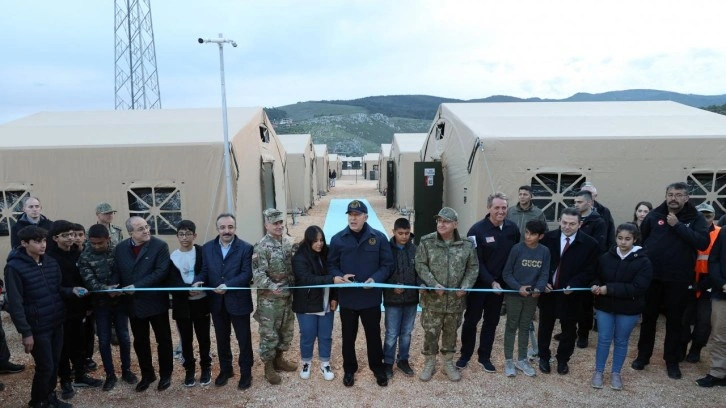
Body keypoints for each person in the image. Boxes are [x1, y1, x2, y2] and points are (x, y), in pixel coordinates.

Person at [633, 182, 709, 380]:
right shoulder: (655, 215)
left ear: (686, 198)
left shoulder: (696, 218)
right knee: (648, 319)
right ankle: (643, 356)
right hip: (654, 278)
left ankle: (672, 361)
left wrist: (678, 226)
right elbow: (643, 241)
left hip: (679, 279)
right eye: (670, 194)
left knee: (676, 322)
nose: (673, 198)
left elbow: (702, 242)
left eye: (678, 195)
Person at [4, 226, 85, 408]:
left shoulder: (50, 262)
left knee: (54, 364)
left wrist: (71, 290)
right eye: (37, 241)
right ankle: (37, 401)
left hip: (56, 322)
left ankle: (50, 398)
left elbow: (56, 289)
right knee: (45, 366)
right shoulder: (14, 268)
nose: (43, 245)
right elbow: (15, 304)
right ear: (24, 243)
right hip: (37, 327)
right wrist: (26, 332)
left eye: (44, 241)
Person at [328, 199, 393, 387]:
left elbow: (387, 265)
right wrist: (339, 276)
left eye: (357, 215)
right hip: (348, 299)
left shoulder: (379, 238)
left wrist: (375, 278)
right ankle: (349, 369)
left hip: (370, 298)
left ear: (366, 216)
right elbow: (331, 264)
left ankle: (377, 367)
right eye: (350, 215)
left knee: (373, 335)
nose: (353, 218)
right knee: (348, 337)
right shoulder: (338, 239)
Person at [458, 192, 520, 372]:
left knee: (491, 322)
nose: (501, 211)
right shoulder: (476, 230)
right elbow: (475, 261)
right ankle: (465, 355)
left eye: (504, 207)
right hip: (480, 285)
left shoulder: (512, 229)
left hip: (500, 288)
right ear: (489, 208)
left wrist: (504, 282)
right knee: (471, 321)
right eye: (497, 207)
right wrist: (491, 281)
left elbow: (513, 257)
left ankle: (484, 356)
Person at [192, 213, 254, 391]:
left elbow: (246, 274)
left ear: (235, 227)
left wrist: (228, 285)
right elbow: (204, 270)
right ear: (217, 228)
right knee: (221, 339)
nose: (227, 231)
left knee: (244, 339)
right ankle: (226, 370)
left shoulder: (246, 248)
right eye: (223, 227)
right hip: (216, 302)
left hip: (238, 302)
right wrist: (198, 280)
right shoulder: (207, 248)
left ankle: (246, 373)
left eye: (230, 227)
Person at [416, 207, 478, 382]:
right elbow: (420, 264)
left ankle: (448, 362)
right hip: (432, 300)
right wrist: (432, 283)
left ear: (455, 224)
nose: (441, 224)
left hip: (455, 301)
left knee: (451, 333)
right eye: (439, 221)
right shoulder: (427, 242)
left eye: (446, 221)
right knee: (430, 332)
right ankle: (429, 362)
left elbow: (473, 268)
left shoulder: (466, 245)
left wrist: (465, 286)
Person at [113, 216, 173, 392]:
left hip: (155, 302)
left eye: (147, 227)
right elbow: (117, 271)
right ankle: (148, 375)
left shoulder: (159, 246)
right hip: (134, 304)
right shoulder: (120, 248)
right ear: (131, 232)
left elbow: (161, 272)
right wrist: (113, 285)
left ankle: (165, 374)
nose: (146, 230)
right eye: (141, 229)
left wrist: (137, 286)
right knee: (140, 341)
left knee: (163, 340)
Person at [538, 207, 600, 375]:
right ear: (559, 221)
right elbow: (539, 263)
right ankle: (543, 357)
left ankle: (563, 359)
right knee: (545, 326)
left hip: (572, 295)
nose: (567, 227)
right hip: (548, 292)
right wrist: (542, 282)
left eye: (572, 224)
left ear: (580, 224)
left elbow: (590, 269)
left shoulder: (590, 244)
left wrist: (574, 284)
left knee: (569, 329)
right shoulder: (547, 239)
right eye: (564, 222)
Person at [590, 223, 652, 390]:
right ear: (615, 238)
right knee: (603, 339)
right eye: (620, 238)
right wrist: (595, 285)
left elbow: (639, 287)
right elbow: (596, 276)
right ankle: (599, 371)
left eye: (627, 239)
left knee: (621, 341)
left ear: (635, 239)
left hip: (629, 309)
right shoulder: (605, 257)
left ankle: (616, 373)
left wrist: (608, 289)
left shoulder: (644, 261)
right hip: (605, 307)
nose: (623, 242)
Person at [47, 221, 103, 400]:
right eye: (66, 235)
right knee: (63, 347)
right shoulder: (49, 257)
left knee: (79, 343)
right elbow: (51, 286)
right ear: (56, 238)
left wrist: (88, 306)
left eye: (72, 234)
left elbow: (84, 279)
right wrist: (69, 292)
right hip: (60, 308)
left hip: (78, 307)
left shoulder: (77, 253)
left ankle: (80, 375)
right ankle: (65, 381)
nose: (71, 238)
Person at [78, 224, 137, 391]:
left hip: (120, 303)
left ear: (108, 240)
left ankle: (127, 371)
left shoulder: (118, 251)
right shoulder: (85, 257)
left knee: (124, 338)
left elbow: (124, 271)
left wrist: (117, 288)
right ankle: (110, 375)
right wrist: (106, 290)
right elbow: (90, 282)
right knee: (104, 340)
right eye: (93, 243)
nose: (96, 246)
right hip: (101, 304)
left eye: (100, 243)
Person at [252, 208, 297, 385]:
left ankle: (279, 359)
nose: (279, 226)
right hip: (269, 300)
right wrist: (272, 286)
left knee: (286, 331)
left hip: (287, 297)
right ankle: (268, 366)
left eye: (280, 223)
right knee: (269, 333)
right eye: (275, 223)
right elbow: (258, 275)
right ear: (266, 225)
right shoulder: (261, 246)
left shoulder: (287, 243)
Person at [501, 219, 550, 378]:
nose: (528, 236)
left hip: (531, 297)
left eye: (533, 234)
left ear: (541, 236)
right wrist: (518, 287)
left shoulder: (544, 252)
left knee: (525, 327)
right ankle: (509, 360)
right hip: (514, 295)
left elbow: (544, 274)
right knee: (511, 326)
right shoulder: (517, 249)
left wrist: (539, 288)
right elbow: (506, 273)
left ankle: (522, 359)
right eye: (527, 232)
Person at [167, 220, 211, 387]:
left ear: (195, 235)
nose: (185, 237)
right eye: (181, 234)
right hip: (182, 305)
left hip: (201, 302)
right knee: (186, 339)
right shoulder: (173, 257)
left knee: (203, 337)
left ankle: (206, 367)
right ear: (177, 236)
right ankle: (189, 369)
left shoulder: (202, 252)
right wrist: (186, 290)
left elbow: (207, 271)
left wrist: (200, 284)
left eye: (188, 233)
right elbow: (171, 281)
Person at [291, 225, 337, 381]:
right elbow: (306, 279)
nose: (319, 244)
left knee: (325, 335)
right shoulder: (299, 257)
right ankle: (306, 363)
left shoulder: (327, 253)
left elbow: (334, 274)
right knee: (308, 335)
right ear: (308, 240)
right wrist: (331, 280)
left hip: (325, 302)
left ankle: (325, 364)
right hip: (306, 304)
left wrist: (334, 297)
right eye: (316, 241)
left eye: (322, 240)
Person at [681, 203, 721, 363]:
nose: (704, 219)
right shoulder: (687, 231)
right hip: (688, 279)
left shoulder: (720, 233)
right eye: (701, 216)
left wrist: (709, 282)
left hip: (709, 282)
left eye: (708, 216)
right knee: (682, 318)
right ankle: (681, 346)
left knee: (704, 321)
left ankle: (696, 349)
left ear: (713, 217)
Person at [382, 218, 419, 379]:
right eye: (400, 233)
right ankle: (388, 362)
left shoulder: (415, 250)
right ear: (394, 232)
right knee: (391, 333)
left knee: (406, 333)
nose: (404, 236)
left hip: (411, 300)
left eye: (407, 233)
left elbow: (420, 272)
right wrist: (390, 286)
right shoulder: (386, 251)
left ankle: (403, 360)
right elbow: (382, 272)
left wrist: (422, 285)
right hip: (392, 300)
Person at [572, 190, 608, 349]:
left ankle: (583, 334)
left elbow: (598, 246)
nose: (576, 205)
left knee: (585, 305)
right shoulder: (572, 217)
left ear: (589, 203)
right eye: (575, 202)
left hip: (588, 268)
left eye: (579, 202)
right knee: (569, 302)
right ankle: (570, 331)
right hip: (571, 266)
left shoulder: (598, 221)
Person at [696, 222, 726, 387]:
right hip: (722, 293)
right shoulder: (724, 232)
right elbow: (713, 261)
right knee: (720, 335)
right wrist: (722, 283)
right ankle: (718, 373)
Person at [71, 222, 97, 374]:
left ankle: (88, 357)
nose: (77, 238)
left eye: (80, 235)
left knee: (89, 331)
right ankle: (76, 361)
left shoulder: (90, 252)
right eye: (74, 235)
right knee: (76, 333)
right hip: (74, 301)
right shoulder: (69, 254)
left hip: (90, 299)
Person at [580, 182, 616, 250]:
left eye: (590, 193)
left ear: (595, 195)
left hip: (599, 250)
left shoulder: (604, 211)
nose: (587, 196)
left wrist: (610, 251)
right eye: (584, 193)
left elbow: (610, 232)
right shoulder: (574, 211)